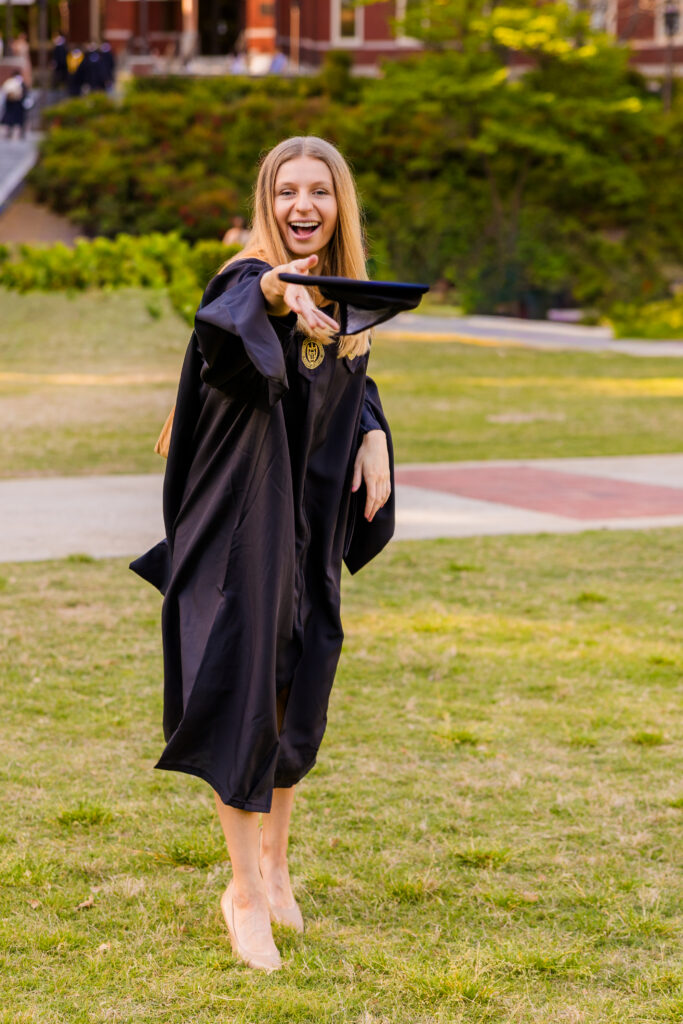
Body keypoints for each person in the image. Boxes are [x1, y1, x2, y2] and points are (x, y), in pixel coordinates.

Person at [130, 136, 395, 973]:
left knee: (299, 682)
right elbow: (233, 325)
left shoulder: (346, 300)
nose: (303, 205)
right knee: (248, 688)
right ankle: (242, 890)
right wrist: (279, 292)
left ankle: (277, 866)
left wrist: (373, 433)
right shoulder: (247, 279)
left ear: (340, 203)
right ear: (266, 201)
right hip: (243, 522)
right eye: (287, 192)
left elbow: (346, 385)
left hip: (308, 522)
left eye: (319, 190)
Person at [1, 72, 28, 140]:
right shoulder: (13, 82)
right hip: (13, 104)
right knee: (13, 119)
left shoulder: (12, 82)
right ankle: (11, 133)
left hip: (16, 104)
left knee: (15, 119)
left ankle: (16, 133)